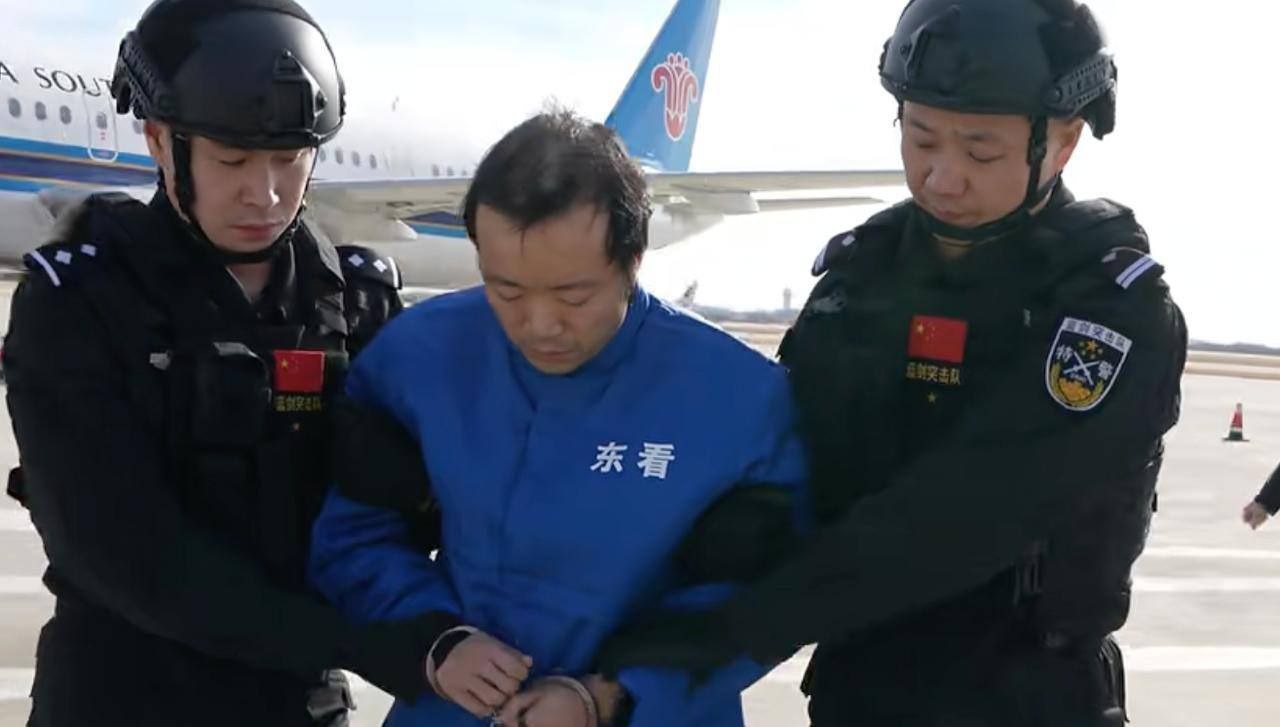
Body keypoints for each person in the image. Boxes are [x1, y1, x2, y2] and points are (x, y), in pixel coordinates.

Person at [596, 1, 1188, 725]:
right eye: (920, 138)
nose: (941, 178)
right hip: (861, 685)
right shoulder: (864, 274)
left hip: (1025, 695)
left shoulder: (1108, 312)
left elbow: (967, 512)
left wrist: (737, 628)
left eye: (980, 153)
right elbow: (775, 454)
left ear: (1062, 142)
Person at [3, 1, 447, 725]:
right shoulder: (80, 301)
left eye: (289, 159)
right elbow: (124, 553)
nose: (264, 194)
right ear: (158, 141)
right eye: (232, 161)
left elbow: (428, 514)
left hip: (298, 701)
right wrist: (363, 642)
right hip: (121, 697)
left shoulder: (355, 301)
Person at [306, 108, 809, 727]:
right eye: (507, 292)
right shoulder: (419, 358)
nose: (540, 325)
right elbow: (356, 534)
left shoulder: (739, 399)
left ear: (634, 258)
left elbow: (765, 598)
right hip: (452, 708)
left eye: (574, 296)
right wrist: (435, 642)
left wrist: (611, 695)